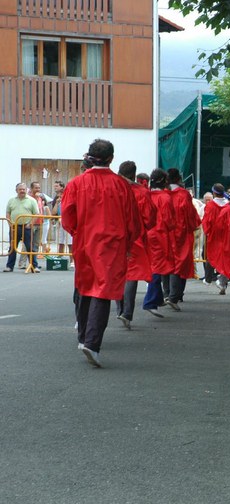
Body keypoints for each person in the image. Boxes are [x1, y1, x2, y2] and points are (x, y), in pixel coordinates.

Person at [61, 139, 140, 367]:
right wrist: (128, 243)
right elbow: (132, 220)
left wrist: (78, 232)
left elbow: (67, 217)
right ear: (111, 159)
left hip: (85, 242)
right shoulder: (121, 185)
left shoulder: (76, 183)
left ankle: (83, 337)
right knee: (103, 291)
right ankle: (92, 343)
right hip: (112, 245)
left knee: (85, 286)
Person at [116, 161, 157, 330]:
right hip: (135, 238)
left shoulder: (114, 188)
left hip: (114, 237)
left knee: (117, 272)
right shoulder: (141, 192)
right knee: (131, 274)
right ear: (134, 175)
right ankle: (126, 312)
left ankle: (120, 309)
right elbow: (150, 218)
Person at [164, 168, 201, 310]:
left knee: (166, 262)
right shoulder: (183, 194)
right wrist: (193, 226)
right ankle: (175, 295)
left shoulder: (163, 193)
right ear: (178, 178)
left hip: (166, 232)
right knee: (180, 264)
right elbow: (190, 214)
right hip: (181, 233)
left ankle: (167, 293)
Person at [143, 169, 175, 318]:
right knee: (158, 267)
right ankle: (150, 301)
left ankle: (158, 298)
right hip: (159, 234)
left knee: (153, 265)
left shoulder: (147, 195)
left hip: (147, 233)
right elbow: (169, 220)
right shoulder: (165, 198)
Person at [4, 182, 38, 272]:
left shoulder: (32, 200)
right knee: (12, 247)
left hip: (27, 227)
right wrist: (10, 224)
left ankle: (34, 266)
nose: (22, 191)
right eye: (20, 189)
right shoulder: (11, 200)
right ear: (16, 190)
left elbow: (36, 214)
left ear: (26, 190)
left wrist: (30, 224)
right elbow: (8, 213)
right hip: (14, 226)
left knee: (30, 247)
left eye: (24, 189)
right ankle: (9, 266)